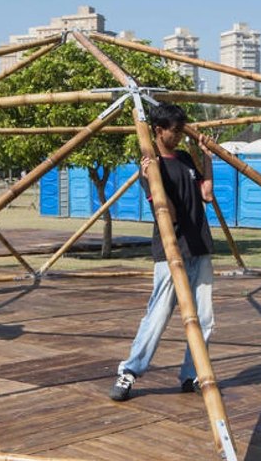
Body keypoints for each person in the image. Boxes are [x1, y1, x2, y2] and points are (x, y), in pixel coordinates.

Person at [109, 104, 215, 401]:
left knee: (204, 318)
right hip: (172, 249)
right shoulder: (151, 167)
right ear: (159, 130)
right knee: (158, 315)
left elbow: (206, 194)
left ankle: (192, 373)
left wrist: (205, 156)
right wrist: (151, 176)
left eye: (183, 130)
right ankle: (129, 372)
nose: (180, 136)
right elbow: (169, 214)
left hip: (200, 246)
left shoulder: (183, 158)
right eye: (175, 131)